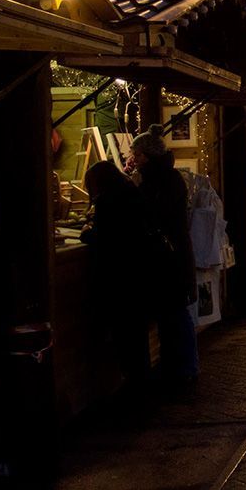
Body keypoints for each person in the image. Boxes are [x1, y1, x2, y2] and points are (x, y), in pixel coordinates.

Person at [129, 124, 199, 394]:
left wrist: (136, 190)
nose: (134, 159)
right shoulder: (164, 178)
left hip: (168, 259)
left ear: (147, 155)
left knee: (176, 315)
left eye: (137, 154)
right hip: (169, 258)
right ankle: (180, 370)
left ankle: (185, 371)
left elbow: (154, 215)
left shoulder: (161, 181)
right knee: (173, 315)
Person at [80, 160, 151, 390]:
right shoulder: (131, 193)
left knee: (124, 334)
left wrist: (87, 233)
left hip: (118, 279)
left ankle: (132, 382)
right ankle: (141, 380)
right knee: (136, 334)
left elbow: (105, 238)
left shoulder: (108, 201)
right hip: (138, 274)